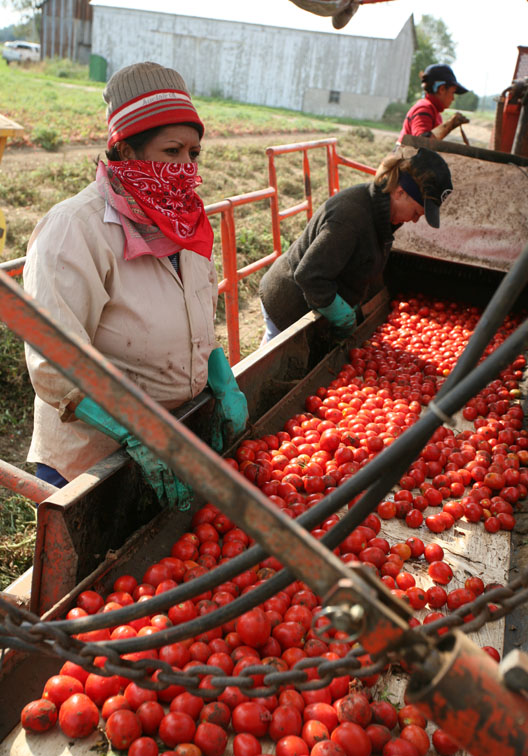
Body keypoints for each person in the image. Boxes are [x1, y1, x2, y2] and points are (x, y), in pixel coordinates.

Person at [23, 61, 248, 506]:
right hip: (92, 458)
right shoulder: (76, 229)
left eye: (194, 154)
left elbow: (197, 315)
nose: (186, 168)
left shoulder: (186, 225)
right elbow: (53, 361)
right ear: (124, 150)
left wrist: (221, 377)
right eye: (172, 152)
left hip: (172, 438)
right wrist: (135, 430)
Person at [259, 147, 453, 344]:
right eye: (416, 213)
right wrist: (340, 314)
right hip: (288, 303)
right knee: (271, 364)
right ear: (400, 193)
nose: (414, 220)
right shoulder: (351, 217)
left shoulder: (383, 215)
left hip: (311, 304)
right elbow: (309, 275)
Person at [397, 63, 470, 144]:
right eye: (452, 93)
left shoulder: (434, 112)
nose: (453, 98)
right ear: (441, 89)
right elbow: (421, 143)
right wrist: (449, 125)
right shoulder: (424, 109)